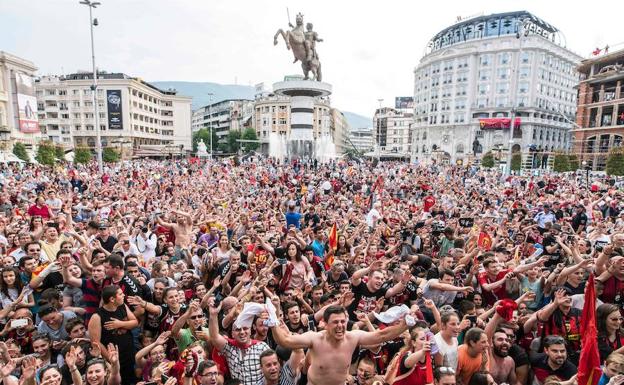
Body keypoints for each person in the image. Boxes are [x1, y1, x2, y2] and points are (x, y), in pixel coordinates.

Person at [269, 305, 411, 385]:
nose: (340, 326)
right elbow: (285, 341)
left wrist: (405, 324)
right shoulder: (315, 339)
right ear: (325, 324)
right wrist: (273, 323)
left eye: (343, 322)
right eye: (335, 322)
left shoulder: (353, 338)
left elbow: (381, 336)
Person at [88, 285, 138, 385]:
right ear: (112, 299)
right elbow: (96, 342)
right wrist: (112, 360)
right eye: (120, 294)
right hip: (113, 359)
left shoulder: (122, 306)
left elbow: (135, 322)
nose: (123, 295)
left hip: (129, 354)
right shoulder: (97, 316)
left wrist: (120, 324)